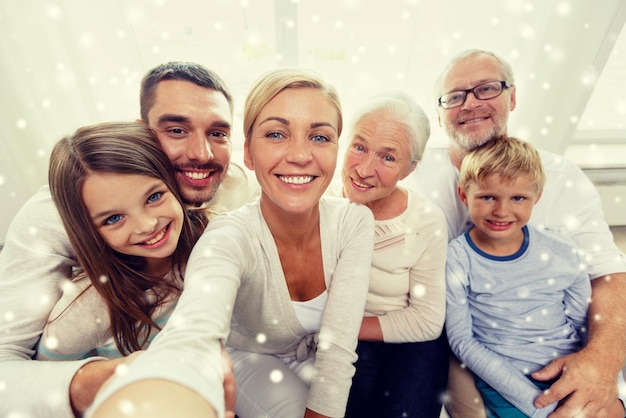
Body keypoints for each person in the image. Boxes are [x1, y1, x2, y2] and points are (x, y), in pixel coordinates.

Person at [86, 68, 376, 418]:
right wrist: (170, 384)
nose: (300, 155)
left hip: (315, 355)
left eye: (319, 137)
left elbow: (339, 342)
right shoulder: (227, 236)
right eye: (276, 133)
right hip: (253, 360)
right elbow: (195, 330)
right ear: (249, 153)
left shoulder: (354, 222)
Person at [0, 62, 250, 417]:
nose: (202, 154)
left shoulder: (233, 185)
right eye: (177, 129)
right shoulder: (51, 219)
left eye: (218, 133)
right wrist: (93, 382)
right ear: (141, 133)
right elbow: (5, 365)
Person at [405, 48, 626, 418]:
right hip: (469, 344)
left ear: (513, 96)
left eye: (487, 88)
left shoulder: (562, 179)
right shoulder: (413, 178)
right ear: (439, 114)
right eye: (455, 96)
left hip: (550, 344)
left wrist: (599, 360)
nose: (471, 103)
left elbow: (608, 276)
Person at [445, 135, 626, 418]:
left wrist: (593, 382)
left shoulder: (562, 250)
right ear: (464, 195)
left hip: (568, 370)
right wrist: (539, 406)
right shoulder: (457, 258)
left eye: (518, 198)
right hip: (506, 381)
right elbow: (462, 341)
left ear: (536, 198)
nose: (502, 211)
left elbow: (582, 322)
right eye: (487, 197)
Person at [335, 90, 448, 418]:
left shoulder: (425, 221)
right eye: (359, 147)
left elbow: (427, 322)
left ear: (409, 169)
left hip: (410, 339)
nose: (365, 169)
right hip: (347, 339)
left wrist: (339, 325)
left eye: (387, 157)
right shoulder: (315, 199)